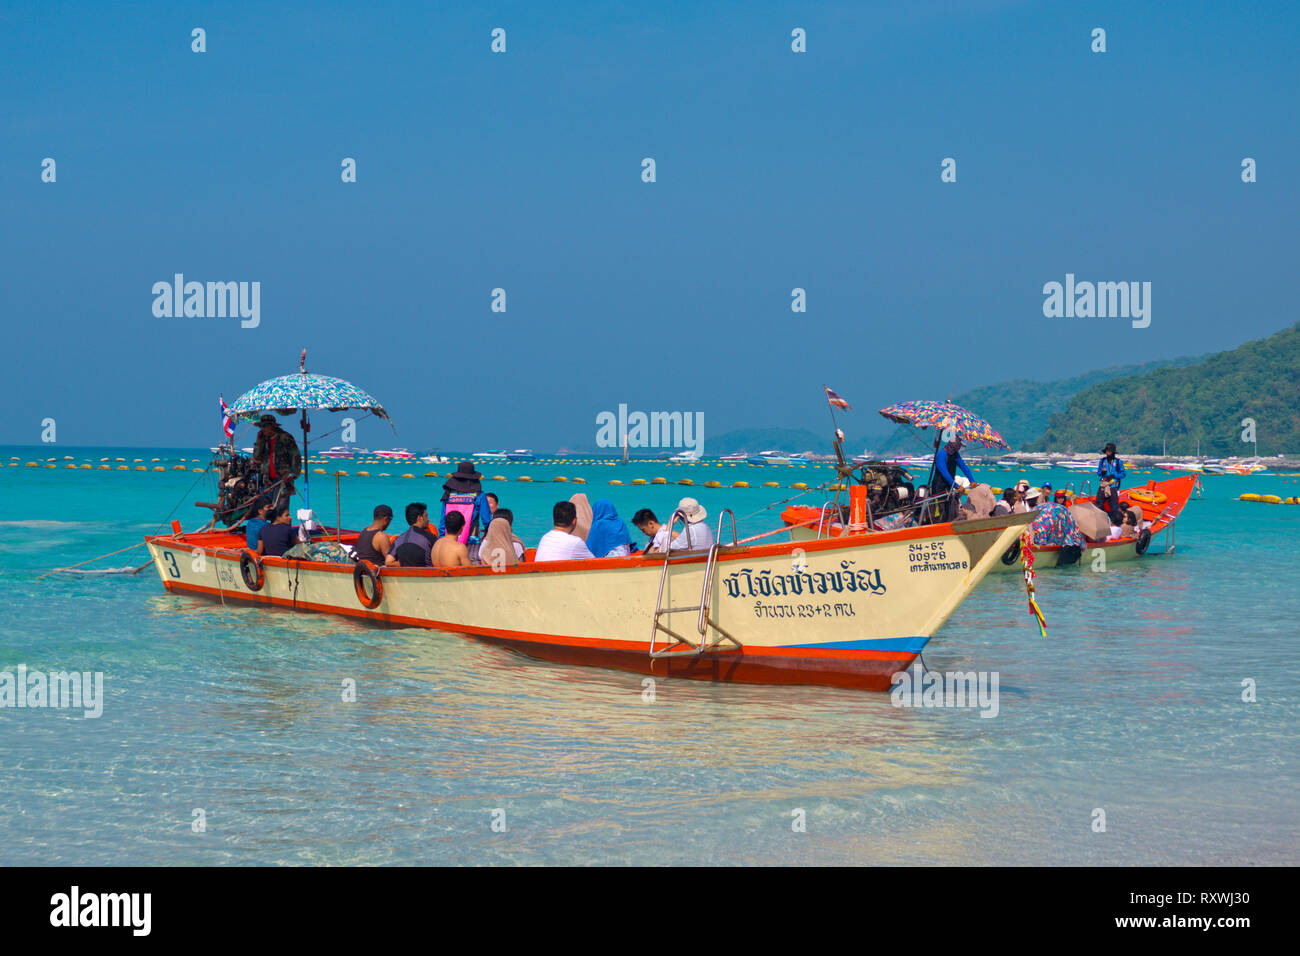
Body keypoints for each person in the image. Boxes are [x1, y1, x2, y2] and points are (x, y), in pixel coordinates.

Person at [250, 414, 301, 509]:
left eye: (264, 426)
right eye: (260, 427)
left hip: (283, 480)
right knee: (268, 511)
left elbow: (296, 456)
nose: (262, 429)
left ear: (272, 425)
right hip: (268, 481)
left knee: (281, 511)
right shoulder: (263, 439)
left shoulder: (285, 437)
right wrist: (258, 442)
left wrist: (292, 474)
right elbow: (256, 458)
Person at [438, 462, 493, 543]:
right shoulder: (479, 495)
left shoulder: (448, 494)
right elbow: (486, 520)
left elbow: (443, 521)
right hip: (471, 540)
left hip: (449, 540)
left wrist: (442, 538)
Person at [931, 436, 975, 522]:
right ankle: (937, 526)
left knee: (949, 511)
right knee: (939, 511)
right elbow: (945, 473)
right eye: (959, 445)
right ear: (955, 445)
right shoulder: (941, 454)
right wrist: (956, 486)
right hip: (938, 487)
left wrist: (972, 480)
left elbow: (963, 466)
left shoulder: (955, 454)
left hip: (949, 487)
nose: (959, 448)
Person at [390, 502, 438, 567]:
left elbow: (388, 562)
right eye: (426, 516)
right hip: (425, 574)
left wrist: (405, 565)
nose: (428, 519)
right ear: (419, 518)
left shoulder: (398, 540)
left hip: (404, 575)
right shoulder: (430, 537)